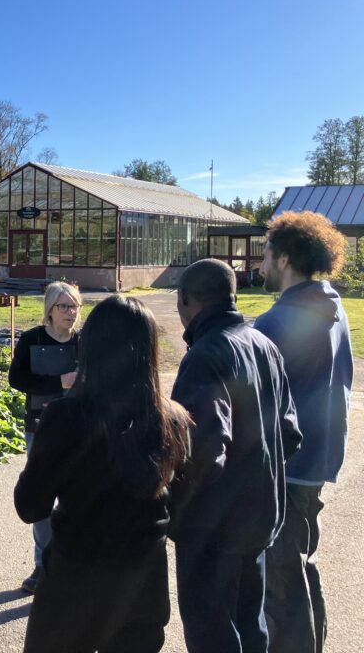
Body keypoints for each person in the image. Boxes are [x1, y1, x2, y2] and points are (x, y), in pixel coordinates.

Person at [15, 295, 191, 653]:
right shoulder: (173, 419)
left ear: (91, 347)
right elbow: (183, 507)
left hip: (75, 577)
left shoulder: (65, 417)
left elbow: (30, 506)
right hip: (143, 582)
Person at [170, 258, 301, 653]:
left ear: (186, 300)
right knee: (250, 623)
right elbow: (291, 434)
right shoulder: (265, 345)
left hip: (214, 528)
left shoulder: (206, 355)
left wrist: (177, 511)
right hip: (260, 517)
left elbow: (202, 449)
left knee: (213, 635)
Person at [254, 211, 353, 653]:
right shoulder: (333, 307)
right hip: (318, 462)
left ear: (284, 259)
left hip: (286, 466)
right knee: (300, 565)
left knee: (280, 583)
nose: (261, 265)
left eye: (266, 255)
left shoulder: (275, 324)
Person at [8, 281, 81, 595]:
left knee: (76, 495)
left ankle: (72, 560)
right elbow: (17, 378)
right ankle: (43, 563)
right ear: (49, 310)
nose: (70, 312)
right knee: (42, 495)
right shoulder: (31, 339)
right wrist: (58, 382)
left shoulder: (84, 342)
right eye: (64, 306)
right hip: (39, 426)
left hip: (78, 427)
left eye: (74, 306)